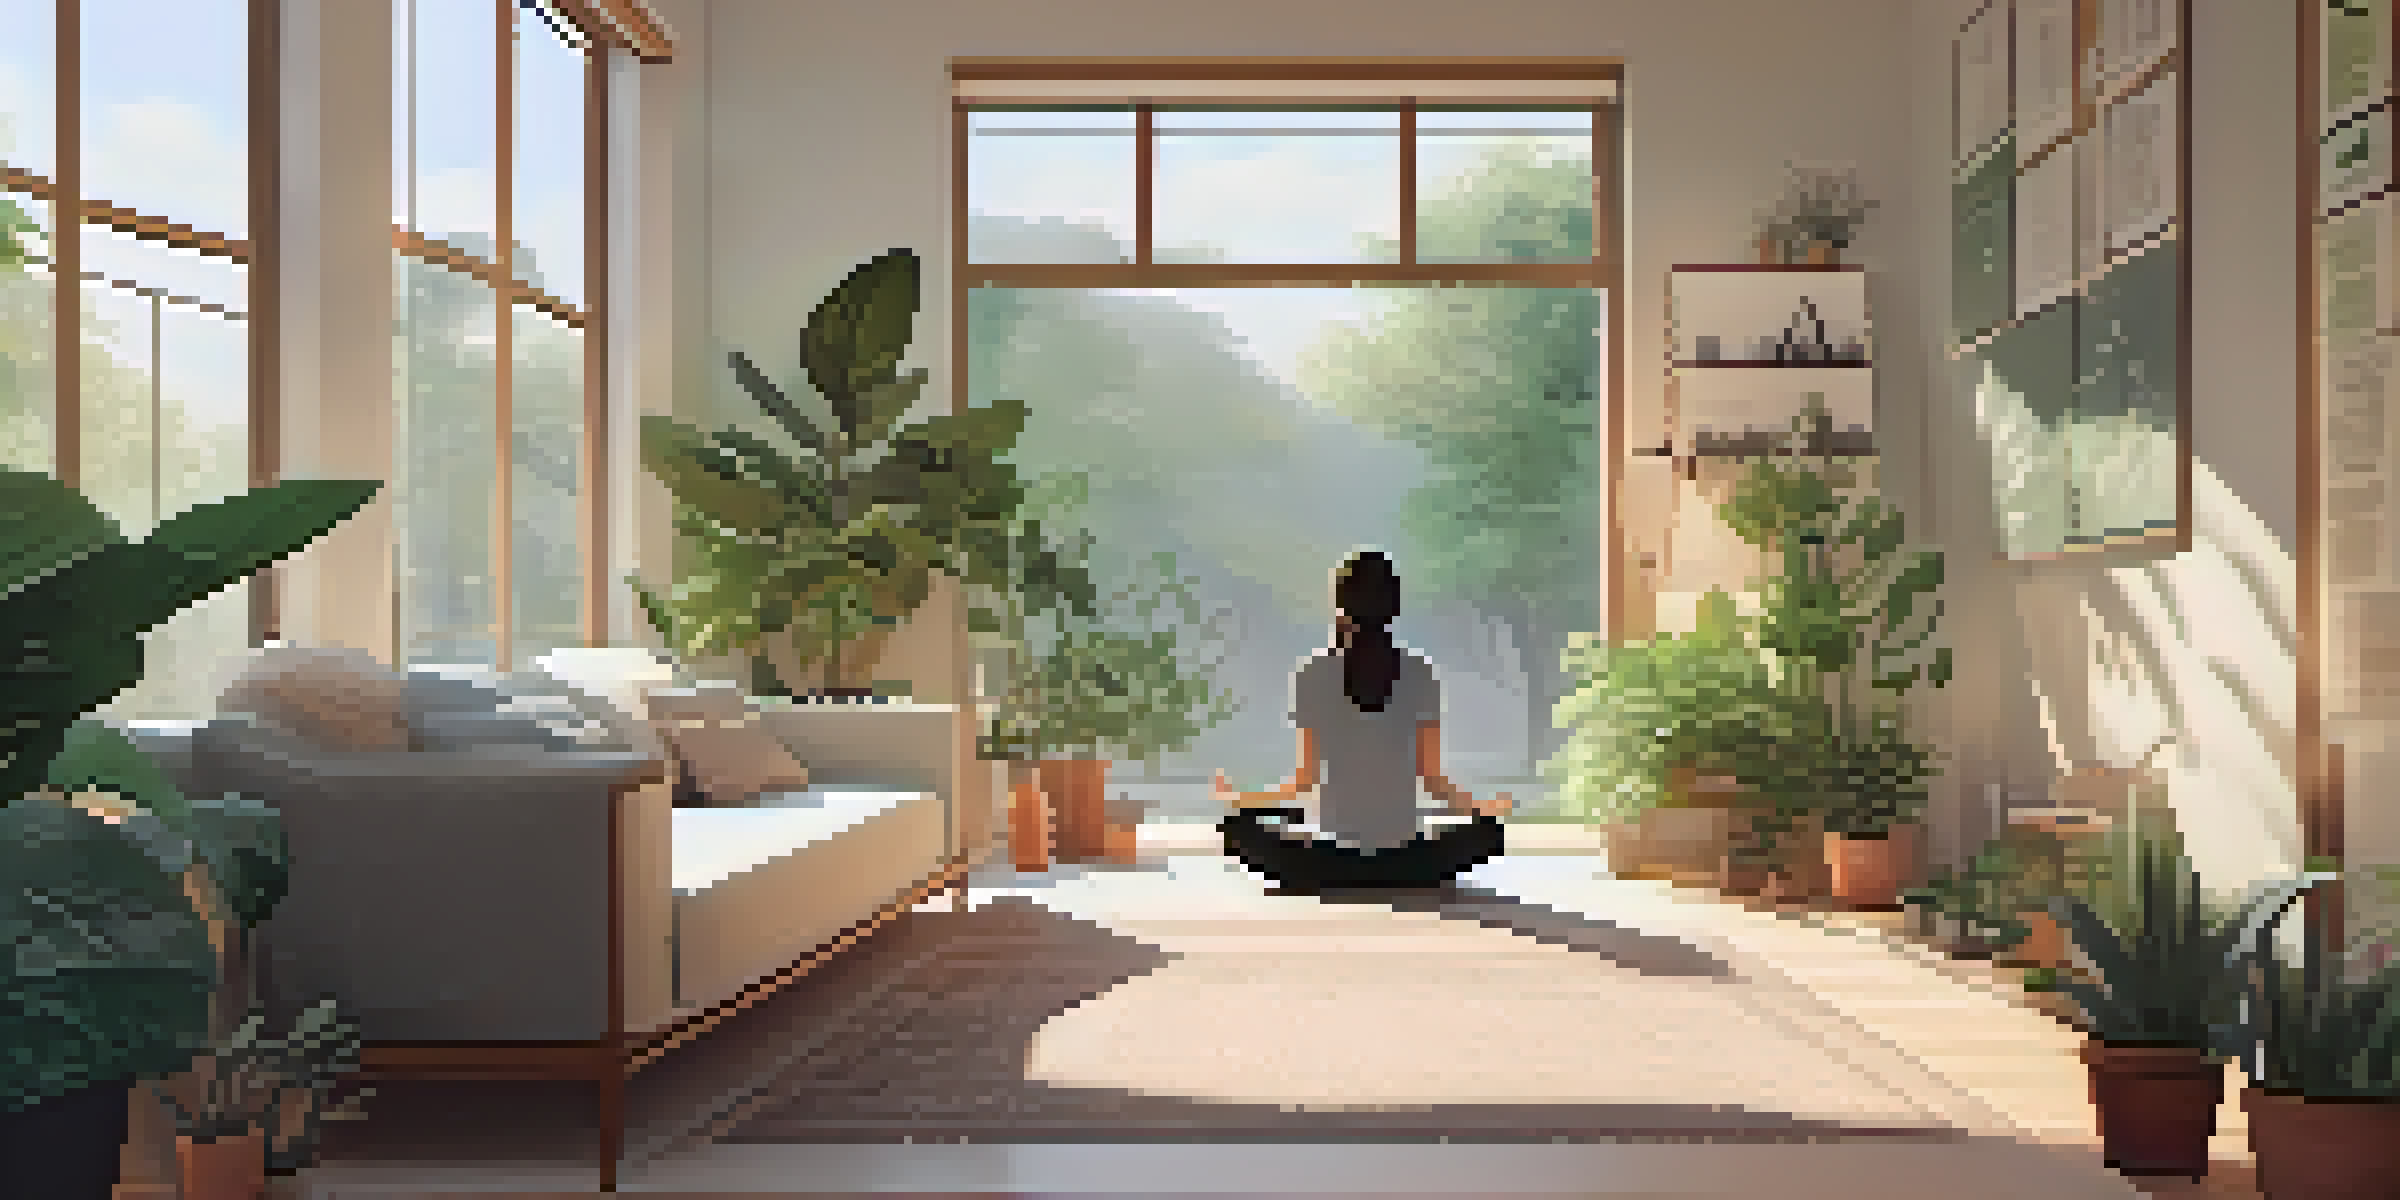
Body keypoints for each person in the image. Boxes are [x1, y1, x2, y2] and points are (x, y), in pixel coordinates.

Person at [1214, 549, 1510, 892]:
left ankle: (1334, 874)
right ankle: (1399, 875)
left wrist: (1243, 800)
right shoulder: (1420, 672)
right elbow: (1433, 782)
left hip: (1328, 860)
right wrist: (1482, 809)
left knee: (1238, 827)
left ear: (1340, 605)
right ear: (1395, 607)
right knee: (1488, 832)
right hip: (1408, 860)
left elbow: (1304, 781)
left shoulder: (1313, 673)